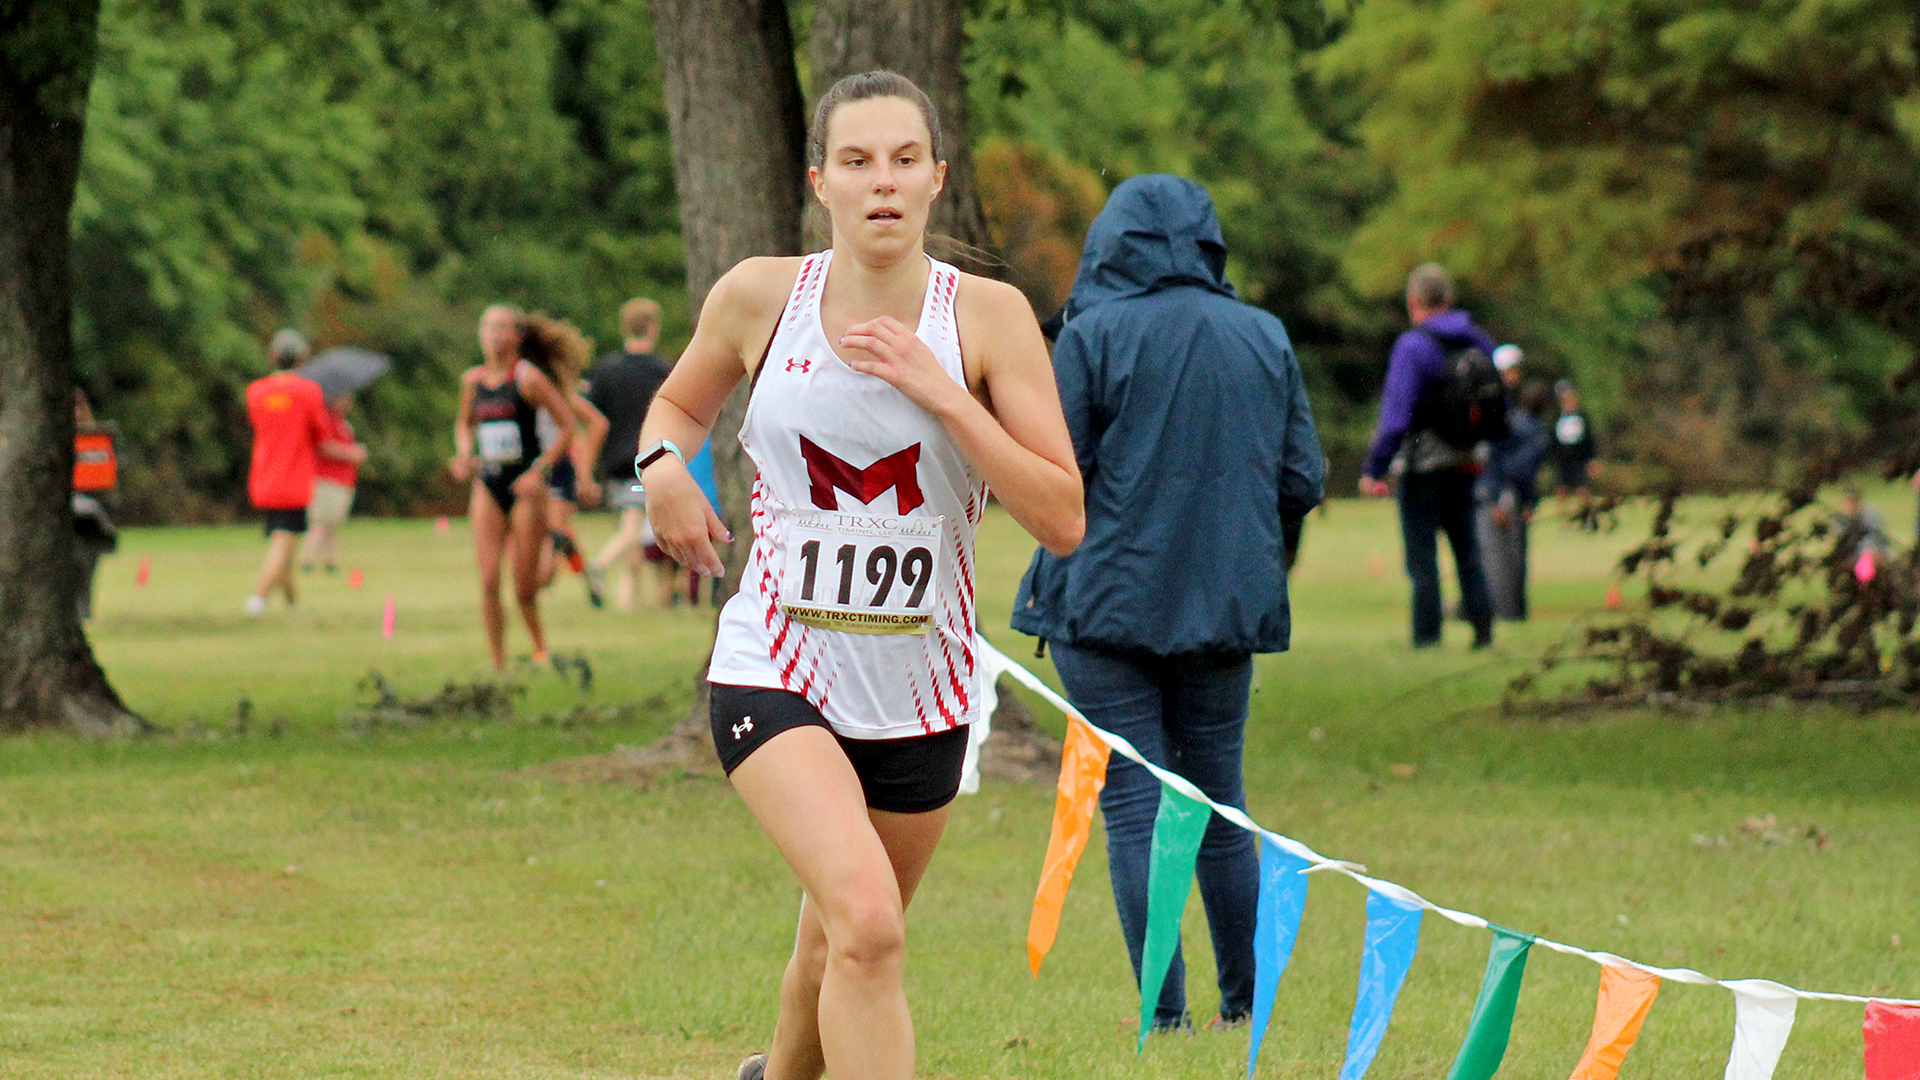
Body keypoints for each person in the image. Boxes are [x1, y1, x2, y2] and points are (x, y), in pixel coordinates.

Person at [637, 70, 1082, 1080]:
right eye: (857, 162)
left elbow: (1060, 517)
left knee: (833, 945)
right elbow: (674, 410)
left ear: (936, 179)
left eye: (902, 160)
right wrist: (662, 468)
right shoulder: (759, 294)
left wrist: (950, 398)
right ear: (820, 182)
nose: (881, 182)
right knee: (870, 927)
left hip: (922, 691)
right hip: (777, 666)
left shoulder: (990, 317)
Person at [1011, 175, 1323, 1032]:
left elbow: (1053, 471)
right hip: (1225, 605)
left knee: (1135, 807)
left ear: (1109, 243)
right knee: (1221, 802)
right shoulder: (1264, 335)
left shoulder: (1091, 335)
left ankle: (1166, 1015)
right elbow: (1304, 478)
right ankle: (1243, 1007)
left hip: (1102, 604)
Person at [1360, 263, 1500, 649]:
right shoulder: (1479, 341)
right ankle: (1483, 624)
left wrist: (1375, 466)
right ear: (1449, 299)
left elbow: (1396, 414)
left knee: (1422, 555)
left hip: (1423, 464)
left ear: (1414, 301)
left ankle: (1427, 634)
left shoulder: (1413, 345)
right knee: (1468, 546)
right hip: (1469, 459)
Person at [449, 305, 583, 671]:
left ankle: (541, 649)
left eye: (501, 327)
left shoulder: (528, 379)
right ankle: (498, 664)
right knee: (489, 578)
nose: (492, 334)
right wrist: (463, 453)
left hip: (526, 488)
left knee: (524, 585)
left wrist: (539, 471)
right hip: (488, 483)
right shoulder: (472, 382)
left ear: (516, 337)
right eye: (487, 326)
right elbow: (464, 424)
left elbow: (568, 426)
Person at [245, 330, 363, 614]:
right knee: (284, 543)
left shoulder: (255, 392)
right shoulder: (308, 391)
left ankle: (293, 605)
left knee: (284, 544)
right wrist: (352, 453)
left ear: (273, 356)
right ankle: (257, 600)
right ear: (302, 359)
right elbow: (322, 440)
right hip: (294, 479)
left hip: (263, 477)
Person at [584, 297, 675, 608]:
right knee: (631, 530)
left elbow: (594, 417)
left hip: (614, 464)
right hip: (645, 462)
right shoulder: (661, 369)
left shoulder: (606, 370)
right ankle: (597, 565)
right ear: (652, 327)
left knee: (630, 534)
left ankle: (627, 604)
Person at [1477, 347, 1549, 621]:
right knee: (1502, 556)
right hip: (1501, 490)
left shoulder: (1513, 414)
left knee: (1505, 556)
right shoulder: (1499, 409)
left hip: (1503, 489)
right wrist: (1498, 495)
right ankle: (1507, 611)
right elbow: (1504, 462)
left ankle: (1509, 611)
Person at [533, 379, 609, 605]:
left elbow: (598, 423)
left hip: (559, 471)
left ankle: (542, 579)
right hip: (528, 471)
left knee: (555, 532)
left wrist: (584, 472)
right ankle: (587, 574)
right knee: (560, 536)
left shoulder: (556, 393)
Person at [299, 394, 368, 575]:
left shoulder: (341, 421)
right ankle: (307, 560)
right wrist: (352, 453)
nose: (349, 400)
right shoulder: (325, 419)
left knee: (332, 523)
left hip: (342, 480)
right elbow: (324, 446)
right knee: (320, 522)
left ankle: (330, 561)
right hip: (327, 479)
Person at [1551, 378, 1600, 497]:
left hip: (1579, 460)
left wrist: (1592, 460)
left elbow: (1589, 440)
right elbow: (1553, 442)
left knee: (1582, 490)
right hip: (1563, 462)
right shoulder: (1556, 418)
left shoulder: (1582, 417)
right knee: (1562, 490)